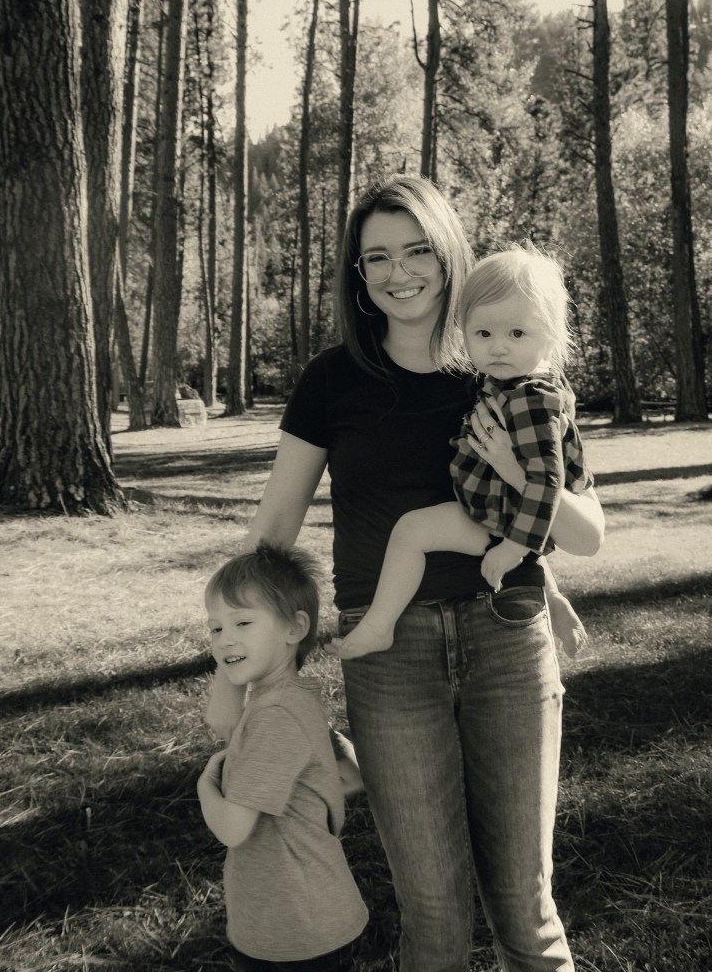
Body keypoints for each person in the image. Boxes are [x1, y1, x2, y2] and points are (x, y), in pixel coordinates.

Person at [207, 174, 605, 972]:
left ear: (448, 252)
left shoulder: (505, 359)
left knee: (527, 911)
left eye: (417, 249)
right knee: (432, 915)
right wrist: (231, 655)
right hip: (389, 660)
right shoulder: (333, 380)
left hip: (507, 644)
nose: (399, 272)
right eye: (376, 258)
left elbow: (585, 527)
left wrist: (523, 478)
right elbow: (275, 527)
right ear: (358, 275)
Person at [324, 243, 593, 661]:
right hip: (496, 511)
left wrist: (513, 548)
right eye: (483, 334)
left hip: (497, 520)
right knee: (414, 532)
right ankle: (552, 597)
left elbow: (545, 482)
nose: (498, 347)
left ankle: (378, 625)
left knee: (411, 532)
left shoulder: (531, 398)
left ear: (551, 336)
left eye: (516, 333)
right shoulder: (507, 382)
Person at [197, 544, 368, 971]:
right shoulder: (293, 701)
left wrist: (204, 786)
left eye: (243, 622)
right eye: (215, 628)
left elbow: (233, 829)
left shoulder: (275, 717)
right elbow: (349, 777)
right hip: (295, 918)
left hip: (296, 931)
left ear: (294, 629)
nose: (225, 638)